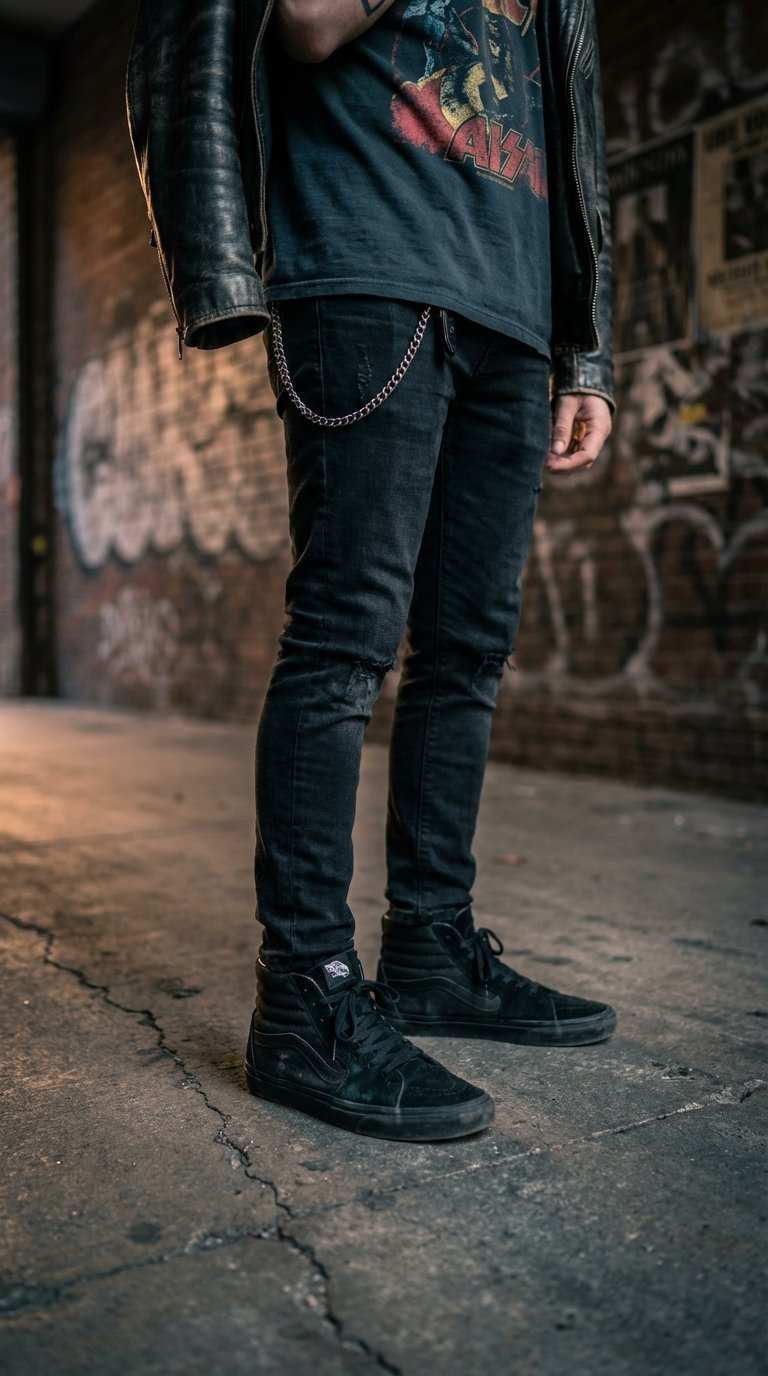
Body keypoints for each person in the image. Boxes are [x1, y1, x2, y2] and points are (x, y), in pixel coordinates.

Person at [127, 0, 617, 1144]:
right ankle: (306, 993)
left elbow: (572, 124)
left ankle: (432, 945)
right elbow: (303, 21)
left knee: (467, 653)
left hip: (514, 307)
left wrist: (585, 351)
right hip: (367, 261)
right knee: (344, 639)